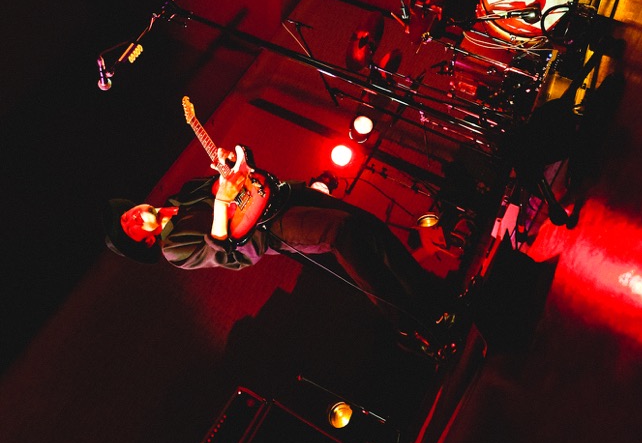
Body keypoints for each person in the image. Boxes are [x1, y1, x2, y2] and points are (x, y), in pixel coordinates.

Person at [105, 145, 461, 357]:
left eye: (127, 214)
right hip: (269, 229)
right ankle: (409, 327)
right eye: (129, 227)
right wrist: (223, 203)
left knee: (371, 227)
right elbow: (222, 248)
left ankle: (433, 298)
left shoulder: (182, 195)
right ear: (145, 242)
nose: (132, 217)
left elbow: (227, 184)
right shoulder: (173, 249)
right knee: (342, 232)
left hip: (282, 195)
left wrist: (229, 165)